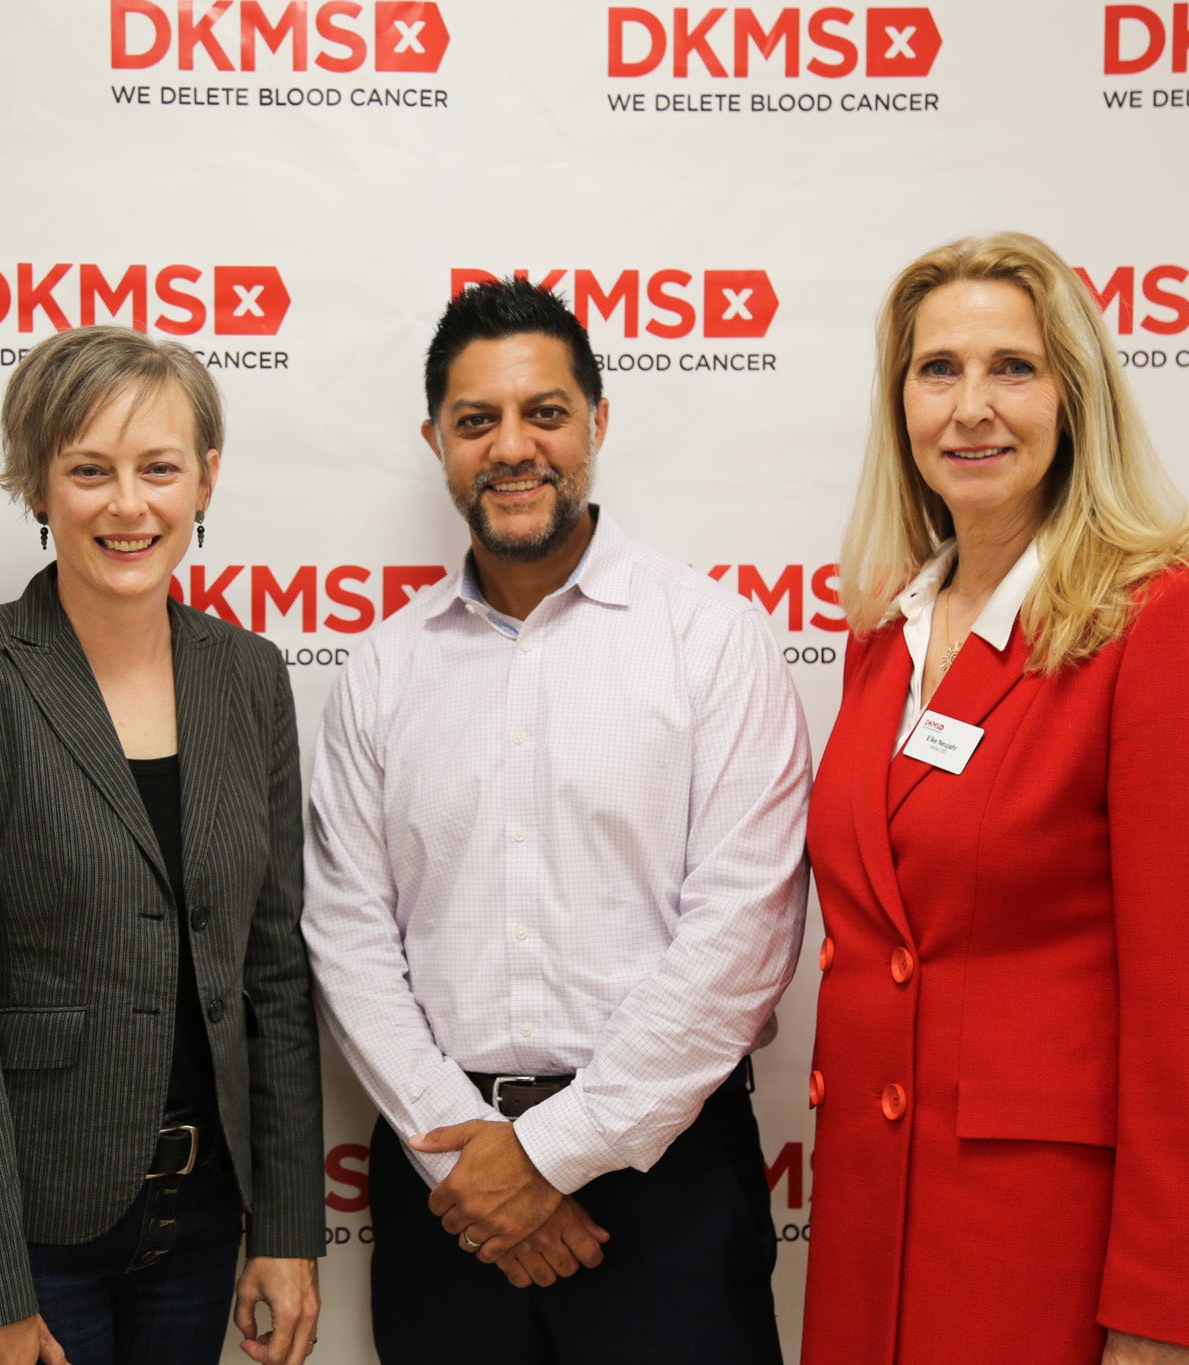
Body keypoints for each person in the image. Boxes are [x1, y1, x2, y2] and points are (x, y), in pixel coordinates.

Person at [301, 277, 812, 1364]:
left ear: (597, 422)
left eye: (544, 413)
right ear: (436, 442)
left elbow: (742, 933)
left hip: (665, 1174)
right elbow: (347, 937)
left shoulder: (711, 640)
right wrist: (473, 1167)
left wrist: (547, 1156)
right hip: (447, 1186)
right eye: (475, 421)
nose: (511, 448)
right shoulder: (383, 669)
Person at [800, 232, 1189, 1365]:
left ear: (1074, 397)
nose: (971, 406)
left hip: (1040, 1251)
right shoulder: (885, 633)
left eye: (1012, 367)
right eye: (937, 370)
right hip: (868, 1235)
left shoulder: (1165, 615)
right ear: (900, 403)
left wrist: (1161, 1311)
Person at [0, 325, 324, 1365]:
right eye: (89, 471)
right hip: (28, 1232)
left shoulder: (249, 676)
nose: (129, 505)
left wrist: (288, 1226)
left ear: (205, 479)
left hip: (202, 1214)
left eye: (158, 468)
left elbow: (272, 971)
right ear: (37, 484)